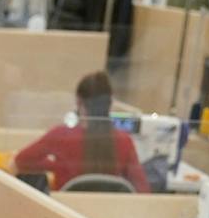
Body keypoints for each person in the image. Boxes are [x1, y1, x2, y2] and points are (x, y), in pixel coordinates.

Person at [13, 70, 150, 192]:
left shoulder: (62, 136)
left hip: (66, 213)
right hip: (107, 217)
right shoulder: (124, 141)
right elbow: (143, 190)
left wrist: (56, 166)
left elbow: (21, 161)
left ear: (79, 103)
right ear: (109, 104)